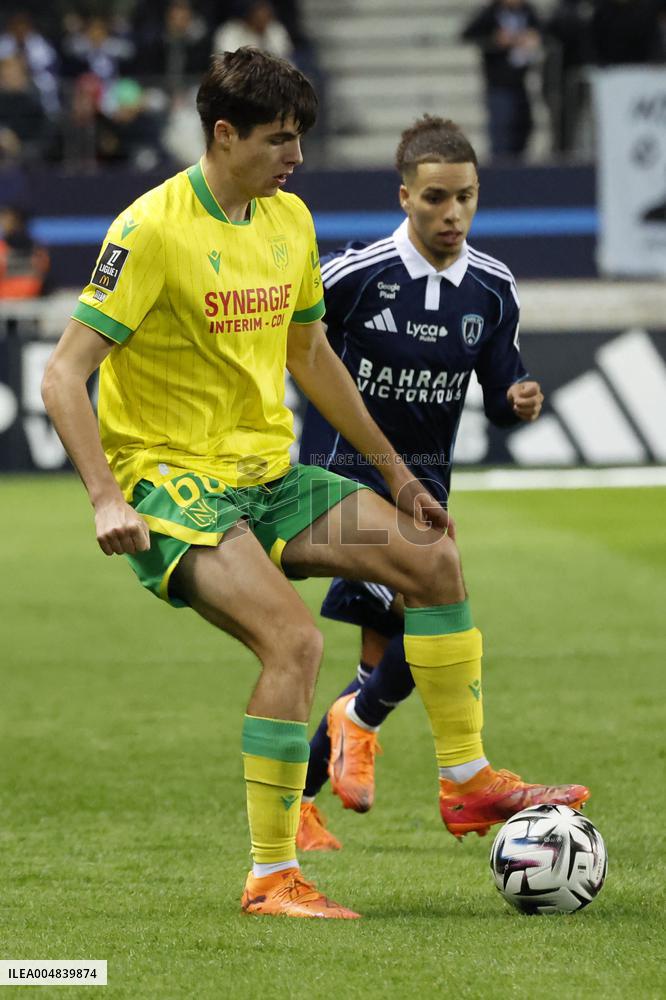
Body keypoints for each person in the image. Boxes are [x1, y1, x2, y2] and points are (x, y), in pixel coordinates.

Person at [41, 49, 585, 922]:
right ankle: (270, 876)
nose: (295, 158)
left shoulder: (287, 218)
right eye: (279, 140)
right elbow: (65, 376)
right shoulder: (149, 230)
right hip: (175, 488)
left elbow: (311, 355)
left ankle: (467, 781)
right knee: (294, 644)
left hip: (270, 476)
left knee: (433, 559)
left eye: (300, 140)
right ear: (224, 135)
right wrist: (106, 495)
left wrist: (399, 478)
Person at [296, 114, 589, 852]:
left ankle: (309, 787)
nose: (451, 213)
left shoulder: (491, 287)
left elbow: (498, 383)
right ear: (404, 197)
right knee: (435, 609)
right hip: (344, 480)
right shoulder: (352, 277)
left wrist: (517, 396)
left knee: (391, 656)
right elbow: (294, 352)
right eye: (434, 198)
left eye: (465, 197)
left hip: (426, 487)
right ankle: (440, 767)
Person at [462, 0, 542, 159]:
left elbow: (544, 31)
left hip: (520, 83)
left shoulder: (528, 11)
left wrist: (534, 37)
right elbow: (468, 34)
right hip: (498, 84)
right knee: (502, 130)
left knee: (524, 127)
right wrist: (495, 40)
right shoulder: (491, 12)